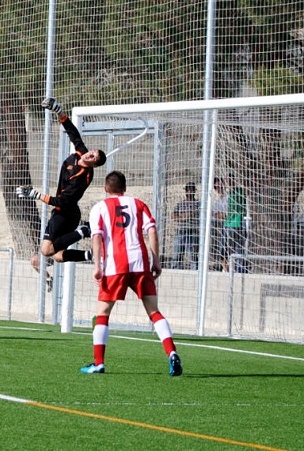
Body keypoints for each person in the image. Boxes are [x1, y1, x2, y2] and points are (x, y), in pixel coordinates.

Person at [80, 171, 182, 376]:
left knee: (103, 313)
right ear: (125, 188)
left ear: (105, 189)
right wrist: (156, 260)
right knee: (154, 311)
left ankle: (99, 363)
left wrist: (97, 266)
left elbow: (97, 237)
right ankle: (171, 353)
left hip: (114, 266)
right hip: (140, 262)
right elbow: (151, 230)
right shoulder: (138, 203)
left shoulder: (99, 207)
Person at [17, 98, 107, 279]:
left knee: (46, 249)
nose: (90, 154)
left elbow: (62, 201)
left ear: (94, 165)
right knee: (58, 256)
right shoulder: (81, 152)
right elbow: (73, 133)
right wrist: (59, 111)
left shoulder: (83, 178)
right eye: (93, 152)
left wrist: (35, 194)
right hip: (67, 212)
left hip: (65, 213)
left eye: (93, 157)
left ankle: (84, 231)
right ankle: (89, 255)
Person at [220, 173, 247, 272]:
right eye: (227, 181)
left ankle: (238, 269)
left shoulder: (239, 191)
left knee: (238, 248)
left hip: (237, 225)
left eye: (230, 180)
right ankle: (226, 267)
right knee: (225, 249)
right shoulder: (226, 195)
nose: (228, 182)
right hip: (228, 224)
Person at [171, 182, 201, 270]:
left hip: (193, 231)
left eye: (191, 190)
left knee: (192, 256)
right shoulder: (180, 204)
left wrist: (183, 216)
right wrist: (185, 216)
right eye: (188, 190)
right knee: (177, 254)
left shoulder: (198, 204)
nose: (189, 192)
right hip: (181, 231)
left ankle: (195, 273)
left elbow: (194, 214)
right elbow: (174, 216)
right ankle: (175, 271)